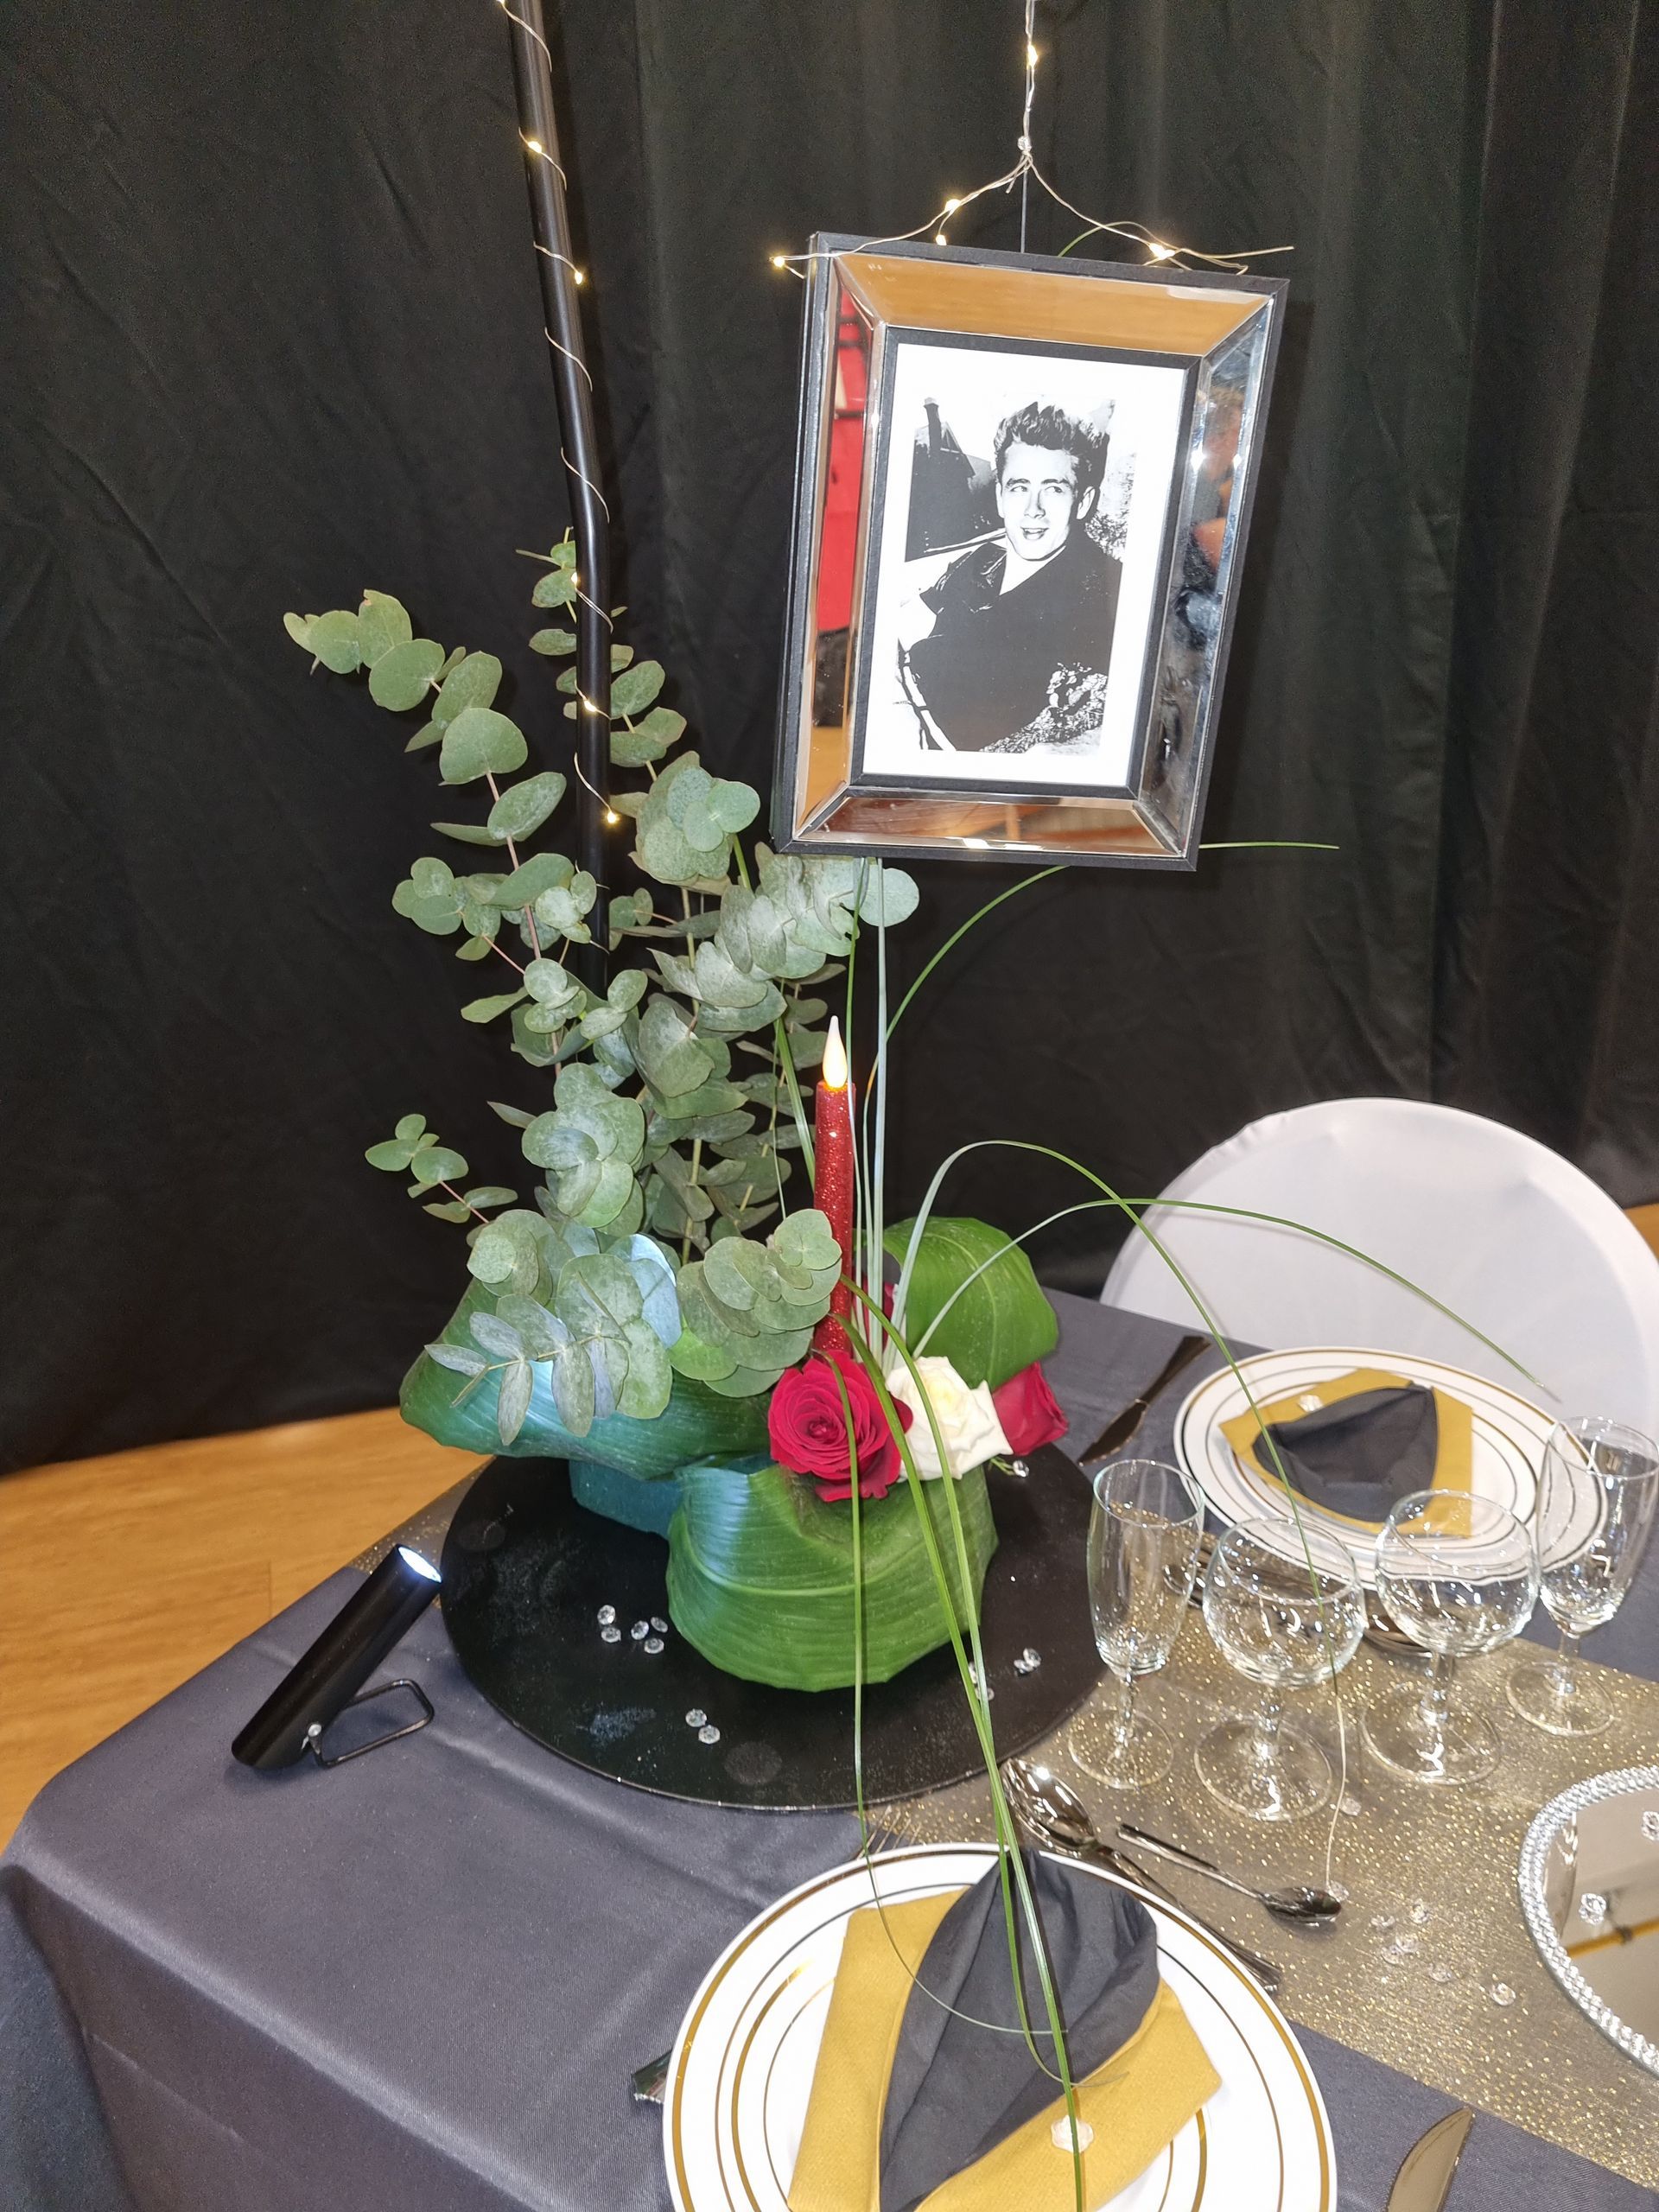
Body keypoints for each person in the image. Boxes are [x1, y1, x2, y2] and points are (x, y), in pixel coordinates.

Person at [897, 400, 1122, 754]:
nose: (1034, 510)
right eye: (1019, 487)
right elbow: (903, 624)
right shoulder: (981, 560)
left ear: (1082, 502)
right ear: (1001, 498)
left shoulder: (1104, 596)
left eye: (1054, 488)